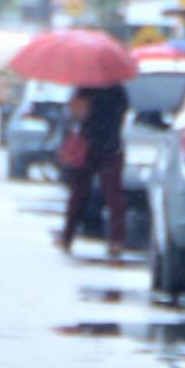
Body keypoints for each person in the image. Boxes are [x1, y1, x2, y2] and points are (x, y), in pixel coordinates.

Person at [56, 78, 130, 257]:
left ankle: (67, 238)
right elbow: (122, 114)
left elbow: (76, 114)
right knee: (114, 196)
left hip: (88, 146)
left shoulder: (85, 87)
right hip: (112, 146)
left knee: (79, 194)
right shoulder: (118, 89)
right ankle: (116, 241)